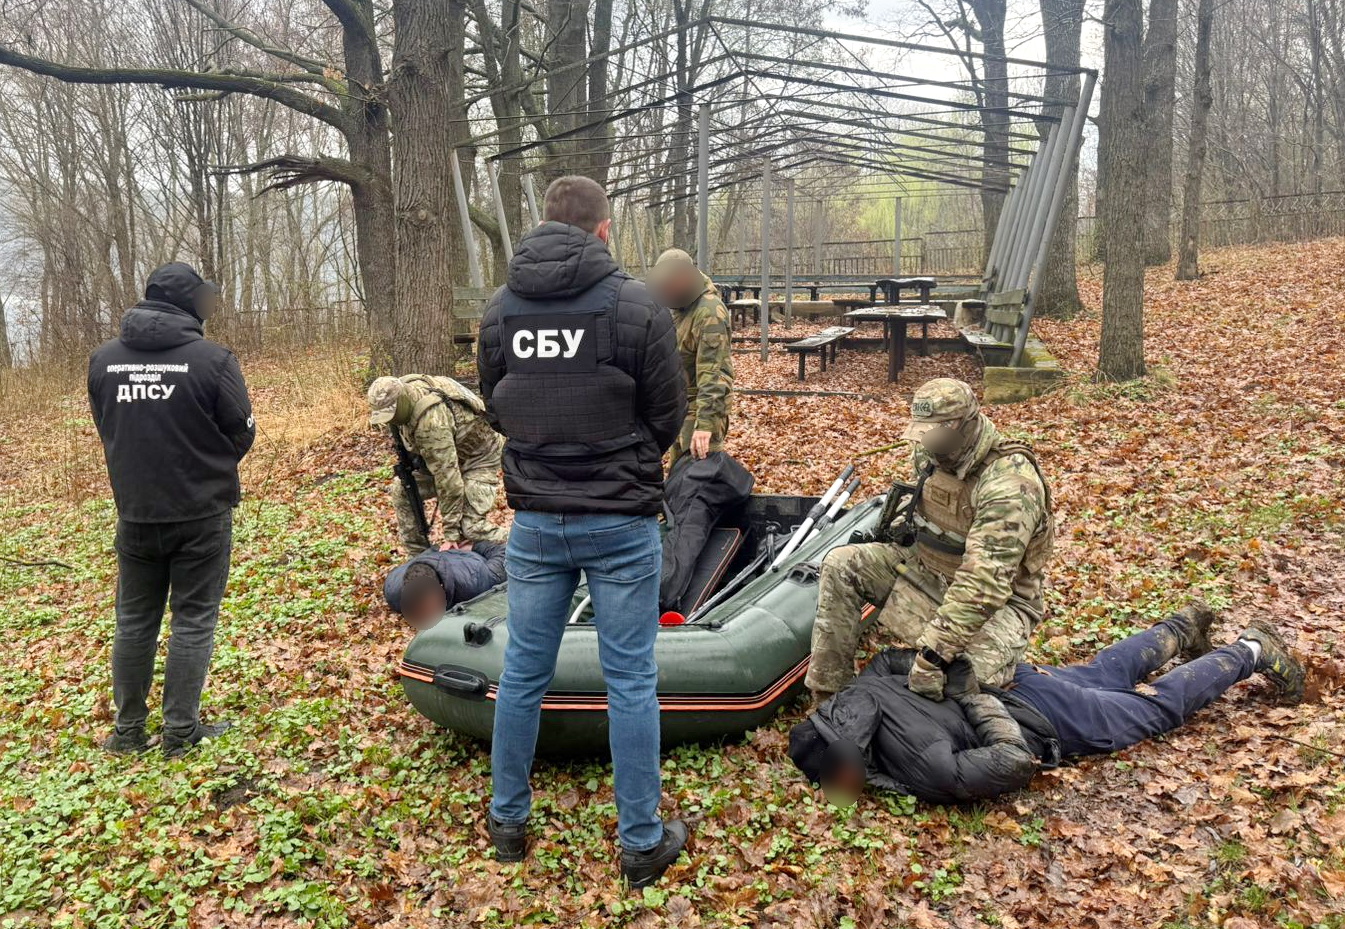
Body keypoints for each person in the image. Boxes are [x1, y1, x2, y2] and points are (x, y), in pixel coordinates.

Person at [476, 175, 690, 886]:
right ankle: (640, 843)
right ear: (603, 229)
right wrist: (624, 460)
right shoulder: (637, 305)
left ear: (544, 223)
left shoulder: (500, 309)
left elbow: (495, 401)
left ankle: (507, 823)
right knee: (630, 679)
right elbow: (667, 411)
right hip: (620, 519)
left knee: (521, 673)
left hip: (537, 519)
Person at [789, 606, 1306, 806]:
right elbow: (892, 660)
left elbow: (1014, 761)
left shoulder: (924, 768)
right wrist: (965, 684)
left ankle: (1250, 650)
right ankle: (1179, 628)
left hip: (1045, 717)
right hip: (1021, 678)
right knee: (1103, 672)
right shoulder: (858, 694)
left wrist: (975, 702)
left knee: (1157, 707)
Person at [87, 262, 255, 757]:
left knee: (134, 621)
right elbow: (241, 430)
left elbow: (109, 426)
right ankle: (179, 733)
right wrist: (205, 466)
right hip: (200, 513)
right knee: (193, 620)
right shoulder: (213, 360)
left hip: (136, 512)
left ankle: (128, 733)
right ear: (190, 303)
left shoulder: (103, 361)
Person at [807, 377, 1054, 704]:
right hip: (928, 570)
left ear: (961, 425)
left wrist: (933, 656)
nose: (927, 444)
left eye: (936, 434)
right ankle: (827, 695)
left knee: (966, 678)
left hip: (1000, 605)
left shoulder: (1009, 483)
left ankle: (1000, 669)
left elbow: (984, 583)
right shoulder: (930, 456)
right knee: (842, 564)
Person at [367, 374, 506, 554]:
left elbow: (449, 481)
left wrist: (451, 534)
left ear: (402, 400)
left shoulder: (431, 422)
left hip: (479, 457)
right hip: (450, 453)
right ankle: (419, 557)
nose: (390, 421)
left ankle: (527, 545)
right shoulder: (406, 391)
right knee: (402, 491)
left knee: (471, 528)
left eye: (392, 414)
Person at [646, 248, 734, 465]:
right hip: (679, 407)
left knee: (698, 476)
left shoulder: (709, 312)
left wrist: (705, 425)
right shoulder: (677, 306)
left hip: (699, 411)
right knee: (678, 476)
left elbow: (715, 373)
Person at [383, 541, 507, 630]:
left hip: (469, 557)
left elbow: (504, 553)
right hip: (437, 554)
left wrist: (473, 546)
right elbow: (420, 558)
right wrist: (436, 549)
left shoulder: (475, 582)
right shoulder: (393, 590)